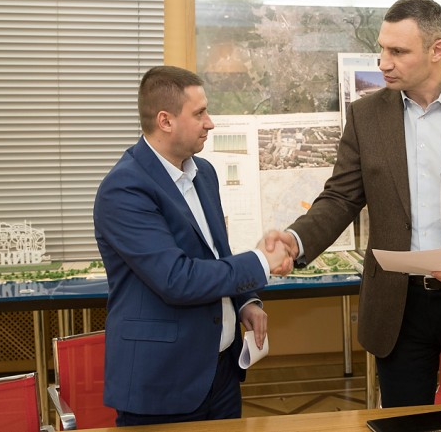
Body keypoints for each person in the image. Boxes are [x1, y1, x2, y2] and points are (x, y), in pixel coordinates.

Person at [266, 0, 441, 407]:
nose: (384, 63)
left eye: (398, 51)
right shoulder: (366, 117)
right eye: (381, 49)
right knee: (404, 423)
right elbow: (340, 197)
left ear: (437, 50)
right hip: (397, 306)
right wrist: (295, 240)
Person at [93, 65, 292, 426]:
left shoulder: (204, 173)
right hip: (163, 383)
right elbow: (177, 279)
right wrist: (262, 262)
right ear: (165, 121)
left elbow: (217, 253)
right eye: (199, 113)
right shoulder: (124, 190)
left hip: (221, 374)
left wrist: (245, 302)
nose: (210, 123)